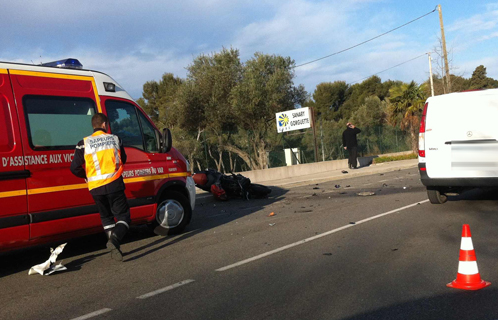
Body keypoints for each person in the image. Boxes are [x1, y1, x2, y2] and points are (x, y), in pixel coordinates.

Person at [70, 113, 130, 261]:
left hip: (95, 188)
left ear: (93, 126)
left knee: (106, 218)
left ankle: (115, 248)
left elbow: (74, 167)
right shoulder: (115, 139)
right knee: (124, 216)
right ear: (104, 125)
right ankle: (114, 240)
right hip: (114, 183)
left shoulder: (83, 143)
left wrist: (86, 176)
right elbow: (124, 158)